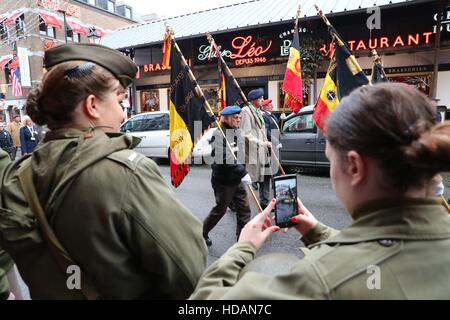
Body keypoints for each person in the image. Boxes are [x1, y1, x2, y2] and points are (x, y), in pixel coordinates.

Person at [190, 83, 450, 299]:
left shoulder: (319, 279)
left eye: (330, 158)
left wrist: (243, 249)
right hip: (226, 181)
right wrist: (319, 233)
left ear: (355, 167)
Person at [0, 43, 207, 300]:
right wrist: (242, 248)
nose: (122, 114)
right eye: (119, 101)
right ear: (92, 105)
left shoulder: (16, 176)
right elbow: (189, 274)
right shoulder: (126, 172)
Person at [203, 106, 252, 246]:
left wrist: (244, 169)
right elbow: (224, 158)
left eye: (239, 117)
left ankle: (242, 243)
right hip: (224, 181)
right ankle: (203, 232)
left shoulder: (237, 131)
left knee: (244, 211)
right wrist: (243, 172)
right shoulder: (219, 134)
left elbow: (240, 154)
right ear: (226, 119)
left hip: (237, 178)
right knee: (220, 210)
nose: (238, 120)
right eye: (235, 118)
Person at [240, 89, 272, 209]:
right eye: (261, 98)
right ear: (254, 100)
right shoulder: (246, 111)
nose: (263, 100)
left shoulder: (258, 111)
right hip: (253, 151)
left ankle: (265, 203)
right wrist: (262, 143)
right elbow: (246, 134)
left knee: (266, 176)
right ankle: (237, 203)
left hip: (263, 151)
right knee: (249, 179)